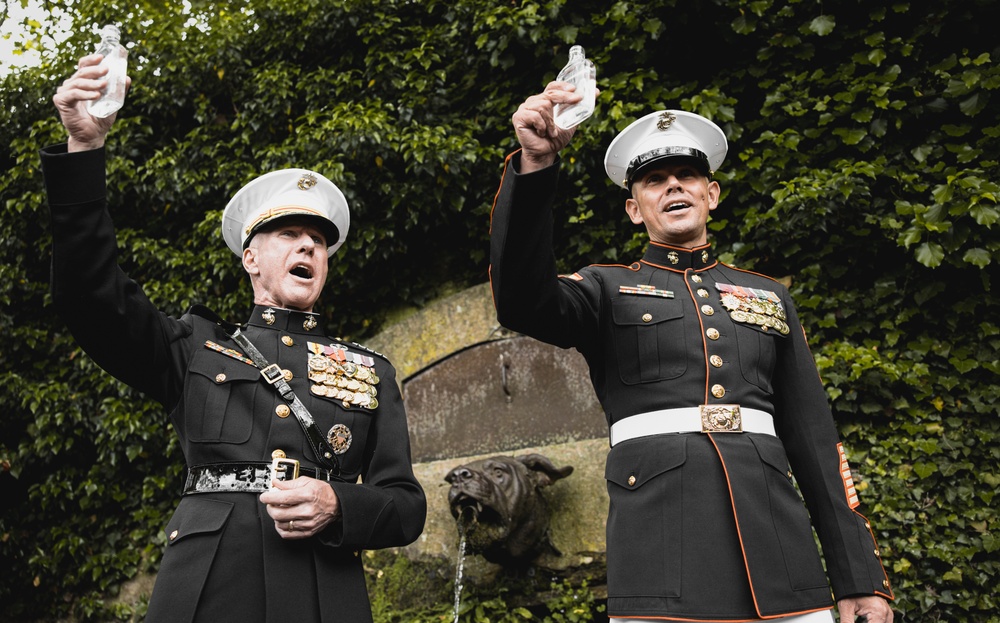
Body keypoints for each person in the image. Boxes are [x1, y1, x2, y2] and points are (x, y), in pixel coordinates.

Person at [489, 81, 895, 623]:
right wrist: (536, 164)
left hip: (782, 559)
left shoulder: (768, 296)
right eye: (654, 181)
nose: (673, 186)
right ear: (635, 210)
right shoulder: (605, 288)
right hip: (661, 557)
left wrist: (860, 579)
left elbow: (816, 444)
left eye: (687, 176)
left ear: (712, 194)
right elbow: (520, 300)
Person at [42, 53, 426, 622]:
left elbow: (406, 506)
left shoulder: (370, 370)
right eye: (289, 235)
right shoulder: (191, 347)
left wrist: (338, 502)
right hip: (208, 584)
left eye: (318, 242)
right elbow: (91, 296)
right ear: (251, 258)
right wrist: (83, 152)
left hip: (326, 592)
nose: (307, 248)